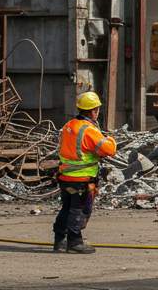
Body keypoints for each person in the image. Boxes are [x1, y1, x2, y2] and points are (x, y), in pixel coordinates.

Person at [54, 91, 117, 253]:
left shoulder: (68, 125)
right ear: (94, 110)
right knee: (79, 209)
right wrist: (111, 139)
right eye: (97, 110)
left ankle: (60, 240)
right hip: (81, 179)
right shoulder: (88, 129)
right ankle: (74, 242)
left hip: (65, 177)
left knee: (67, 208)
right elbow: (109, 149)